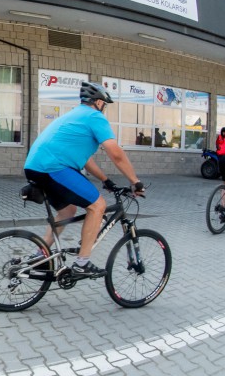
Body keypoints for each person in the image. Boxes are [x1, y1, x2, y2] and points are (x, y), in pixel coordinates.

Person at [23, 81, 144, 279]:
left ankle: (40, 255)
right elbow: (116, 154)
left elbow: (86, 160)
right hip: (53, 167)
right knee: (98, 206)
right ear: (99, 102)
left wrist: (106, 180)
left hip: (35, 167)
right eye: (104, 104)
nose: (104, 108)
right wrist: (135, 181)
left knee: (67, 210)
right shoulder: (94, 117)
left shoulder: (74, 115)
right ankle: (82, 263)